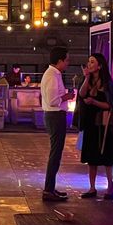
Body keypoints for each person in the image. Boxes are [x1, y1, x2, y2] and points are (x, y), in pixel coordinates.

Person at [77, 52, 113, 200]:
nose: (89, 64)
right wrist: (87, 77)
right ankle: (92, 187)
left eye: (92, 62)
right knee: (91, 157)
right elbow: (82, 94)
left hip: (104, 124)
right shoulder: (87, 80)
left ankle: (110, 188)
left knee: (107, 156)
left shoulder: (108, 83)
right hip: (90, 123)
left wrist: (94, 102)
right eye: (89, 62)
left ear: (100, 65)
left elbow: (110, 105)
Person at [40, 46, 75, 202]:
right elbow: (53, 100)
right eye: (66, 60)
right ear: (59, 60)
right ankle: (48, 189)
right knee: (55, 153)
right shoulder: (52, 76)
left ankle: (51, 187)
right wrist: (67, 96)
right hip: (55, 116)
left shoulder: (54, 74)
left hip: (55, 116)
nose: (68, 63)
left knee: (56, 153)